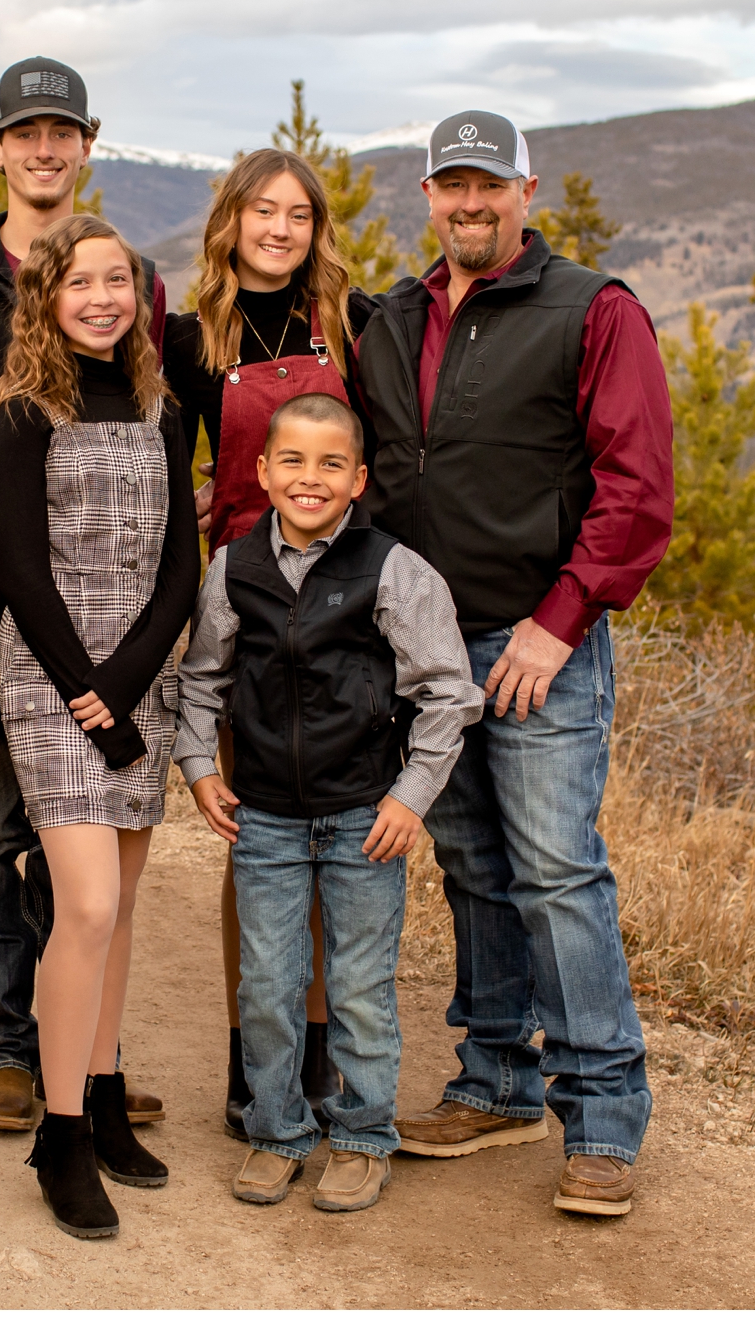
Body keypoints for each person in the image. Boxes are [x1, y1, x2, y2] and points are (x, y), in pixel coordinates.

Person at [351, 109, 674, 1217]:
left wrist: (562, 618)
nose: (471, 203)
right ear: (428, 195)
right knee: (475, 866)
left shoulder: (594, 309)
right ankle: (494, 1078)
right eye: (452, 184)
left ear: (529, 191)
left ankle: (604, 1119)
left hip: (537, 643)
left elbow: (636, 488)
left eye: (491, 183)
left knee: (555, 872)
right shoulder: (388, 320)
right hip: (424, 652)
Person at [177, 392, 481, 1214]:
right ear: (265, 472)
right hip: (266, 815)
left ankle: (361, 1136)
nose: (311, 478)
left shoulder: (393, 569)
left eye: (331, 464)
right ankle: (277, 1133)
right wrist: (200, 765)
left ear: (358, 480)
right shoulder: (233, 567)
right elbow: (202, 677)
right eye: (294, 461)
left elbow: (449, 693)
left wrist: (411, 797)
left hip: (364, 817)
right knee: (269, 985)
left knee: (357, 985)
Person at [0, 57, 168, 1133]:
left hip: (124, 621)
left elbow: (173, 419)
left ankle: (81, 1061)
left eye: (61, 131)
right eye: (22, 131)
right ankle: (4, 1050)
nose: (42, 148)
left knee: (97, 871)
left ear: (87, 142)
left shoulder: (134, 285)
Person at [0, 215, 198, 1238]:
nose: (103, 297)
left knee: (123, 901)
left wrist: (129, 684)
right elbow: (21, 571)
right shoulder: (26, 410)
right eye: (81, 283)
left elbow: (182, 567)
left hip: (142, 675)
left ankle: (106, 1096)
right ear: (48, 298)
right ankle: (58, 1133)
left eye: (118, 280)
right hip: (52, 675)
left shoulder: (163, 406)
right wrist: (87, 691)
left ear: (140, 295)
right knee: (88, 904)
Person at [161, 147, 374, 1139]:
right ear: (232, 220)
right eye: (263, 210)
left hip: (346, 606)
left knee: (337, 835)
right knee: (259, 844)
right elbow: (164, 467)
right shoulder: (188, 336)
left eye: (298, 213)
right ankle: (258, 1063)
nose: (281, 228)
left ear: (316, 226)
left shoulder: (354, 324)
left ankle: (324, 1057)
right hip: (245, 603)